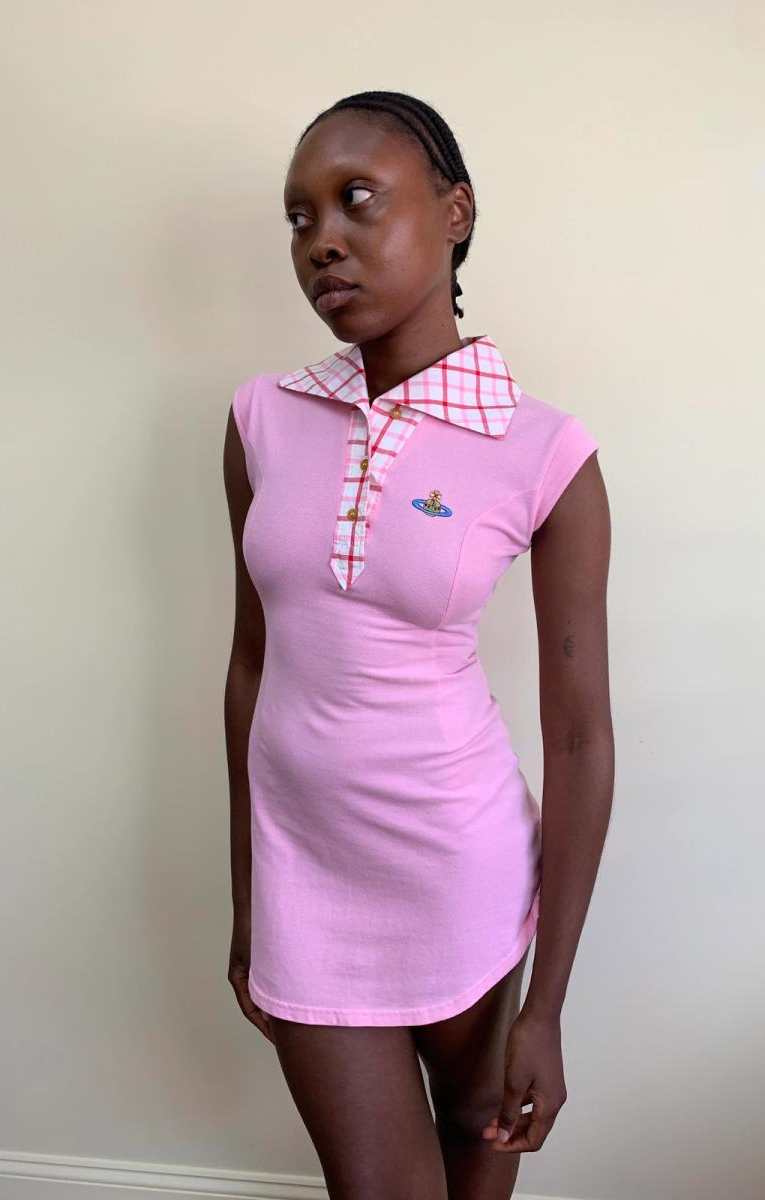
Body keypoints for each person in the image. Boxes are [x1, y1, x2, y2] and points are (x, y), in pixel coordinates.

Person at [223, 90, 614, 1200]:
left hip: (462, 879)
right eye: (299, 218)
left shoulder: (543, 451)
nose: (322, 240)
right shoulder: (261, 419)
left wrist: (547, 1007)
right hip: (304, 880)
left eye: (357, 199)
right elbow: (251, 665)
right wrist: (249, 898)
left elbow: (580, 738)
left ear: (455, 212)